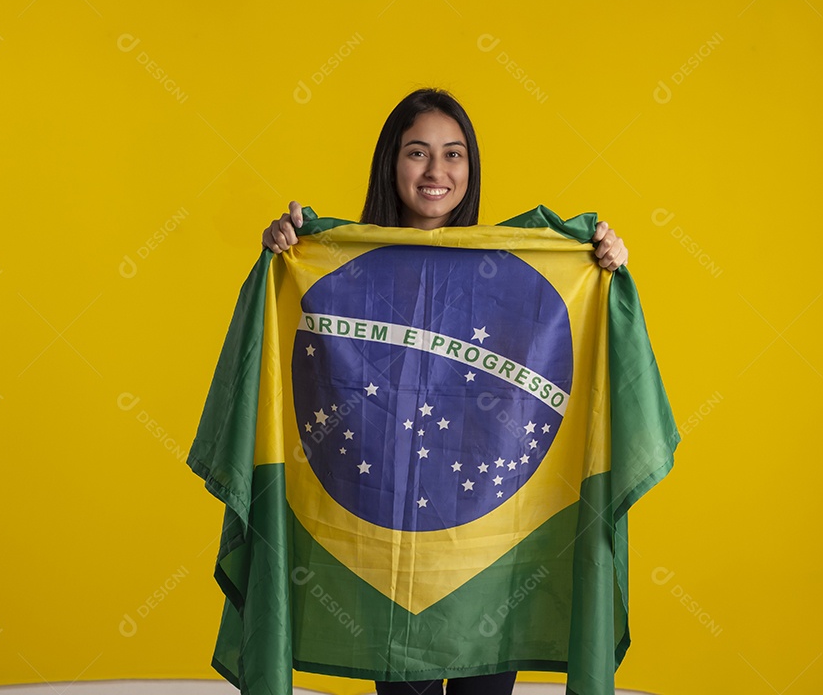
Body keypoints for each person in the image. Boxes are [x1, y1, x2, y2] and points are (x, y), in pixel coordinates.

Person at [259, 88, 629, 695]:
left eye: (454, 154)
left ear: (471, 167)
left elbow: (564, 345)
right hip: (385, 555)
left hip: (487, 555)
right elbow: (292, 344)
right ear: (390, 164)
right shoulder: (339, 267)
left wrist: (601, 264)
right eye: (418, 153)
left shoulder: (513, 273)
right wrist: (288, 253)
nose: (437, 172)